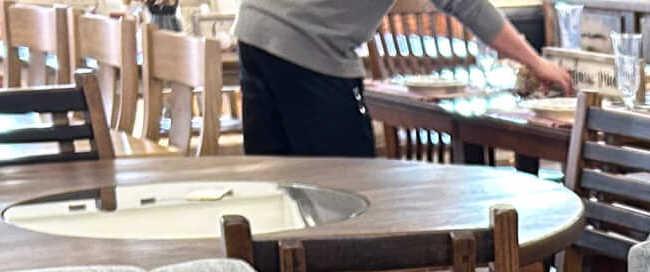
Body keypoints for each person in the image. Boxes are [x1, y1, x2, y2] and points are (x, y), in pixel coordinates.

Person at [233, 0, 575, 157]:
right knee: (348, 191)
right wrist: (536, 62)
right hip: (307, 44)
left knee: (279, 185)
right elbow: (466, 4)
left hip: (254, 27)